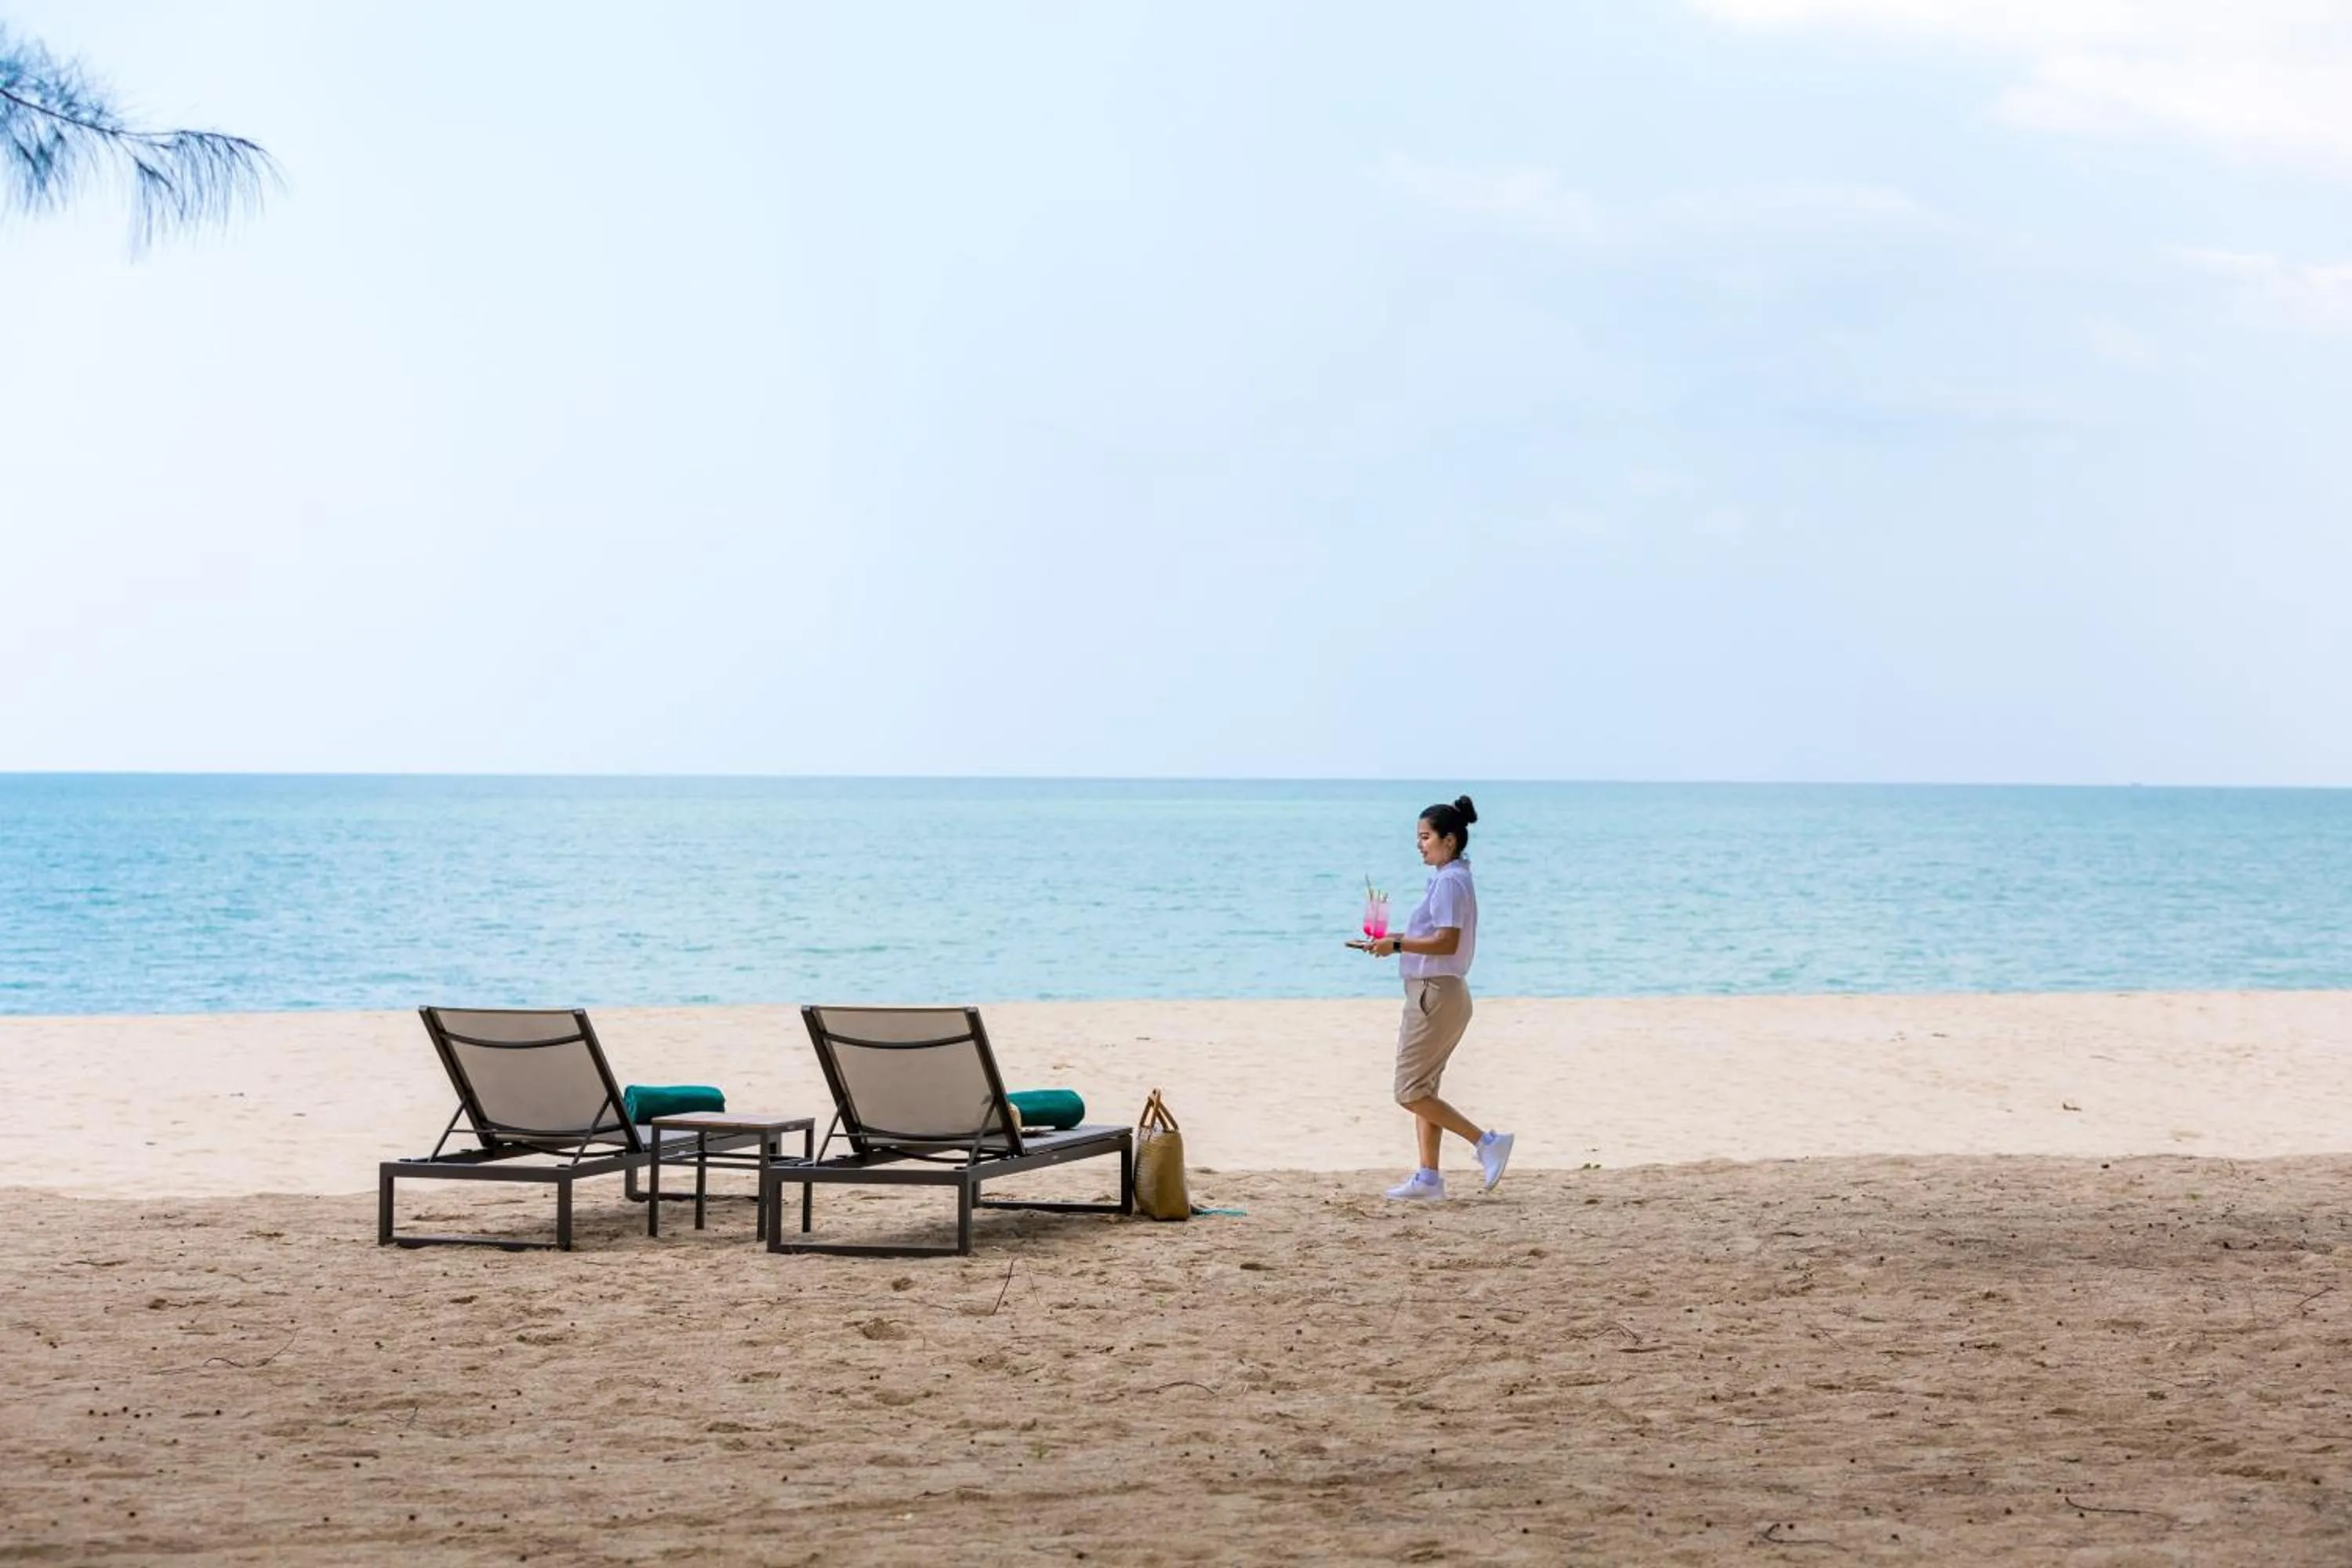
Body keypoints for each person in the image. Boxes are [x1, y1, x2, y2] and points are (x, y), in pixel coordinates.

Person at [1351, 795, 1513, 1200]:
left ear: (1450, 840)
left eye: (1426, 837)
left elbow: (1446, 941)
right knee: (1424, 1089)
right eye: (1419, 837)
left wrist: (1397, 945)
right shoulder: (1452, 878)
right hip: (1441, 992)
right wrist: (1391, 940)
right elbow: (1436, 937)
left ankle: (1486, 1143)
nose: (1419, 845)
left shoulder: (1450, 882)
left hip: (1435, 994)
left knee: (1409, 1091)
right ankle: (1428, 1178)